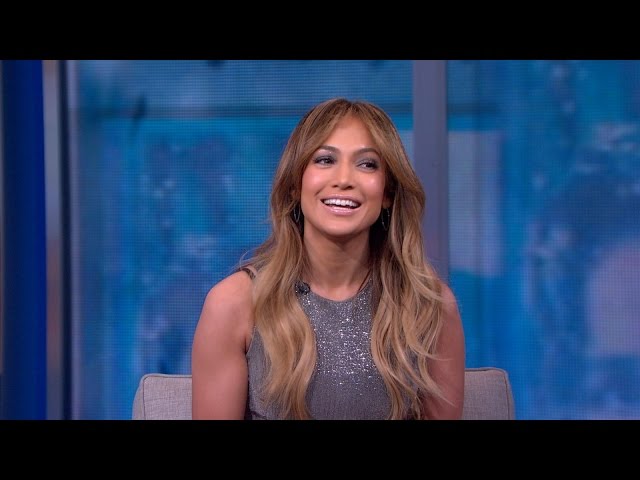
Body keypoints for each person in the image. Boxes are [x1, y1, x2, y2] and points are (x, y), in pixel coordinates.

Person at [191, 97, 465, 420]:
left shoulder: (430, 307)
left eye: (367, 164)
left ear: (388, 193)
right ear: (295, 186)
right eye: (324, 160)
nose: (344, 179)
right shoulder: (233, 304)